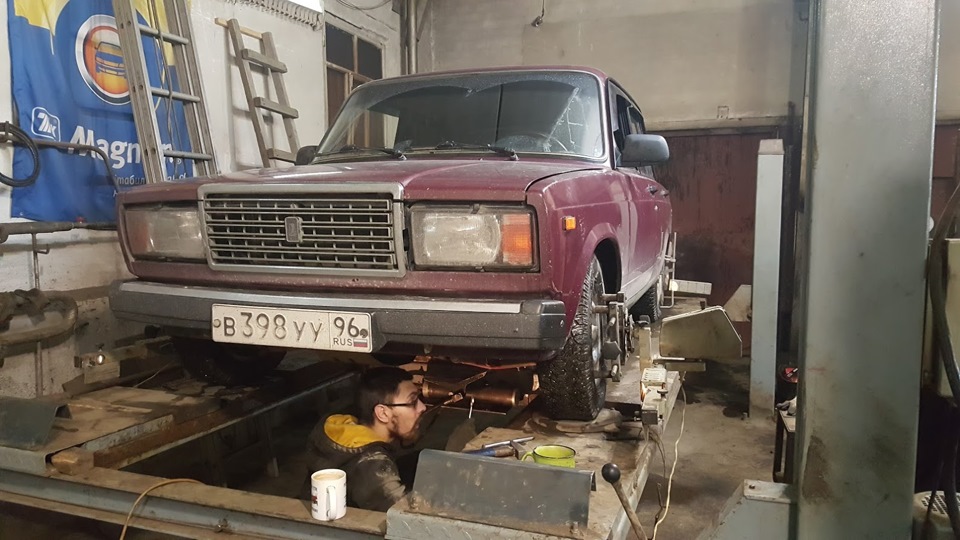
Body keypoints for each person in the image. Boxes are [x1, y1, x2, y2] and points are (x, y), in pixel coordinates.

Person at [304, 366, 427, 512]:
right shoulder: (372, 464)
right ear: (383, 413)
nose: (422, 407)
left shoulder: (341, 433)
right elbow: (404, 516)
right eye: (412, 402)